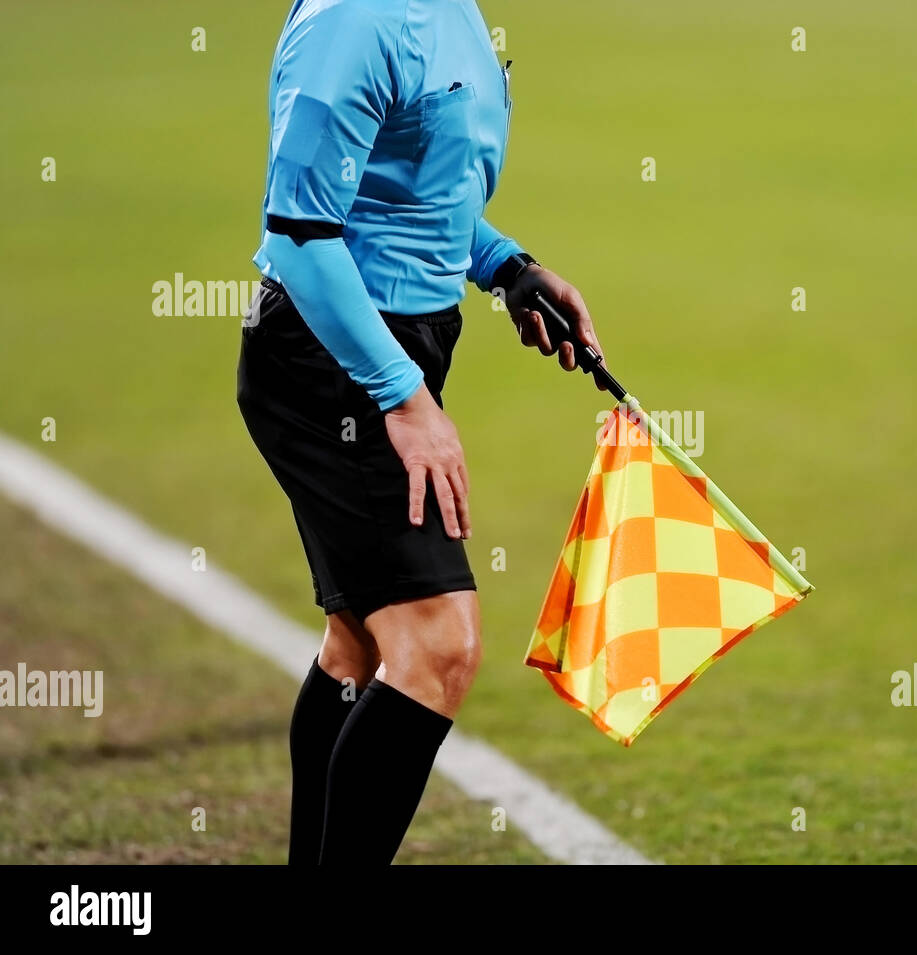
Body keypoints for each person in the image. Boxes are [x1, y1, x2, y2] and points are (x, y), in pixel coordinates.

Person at [236, 0, 604, 865]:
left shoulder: (452, 10)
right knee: (439, 644)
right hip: (333, 360)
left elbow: (411, 192)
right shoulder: (358, 18)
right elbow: (300, 229)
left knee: (361, 645)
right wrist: (403, 398)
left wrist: (506, 266)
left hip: (391, 349)